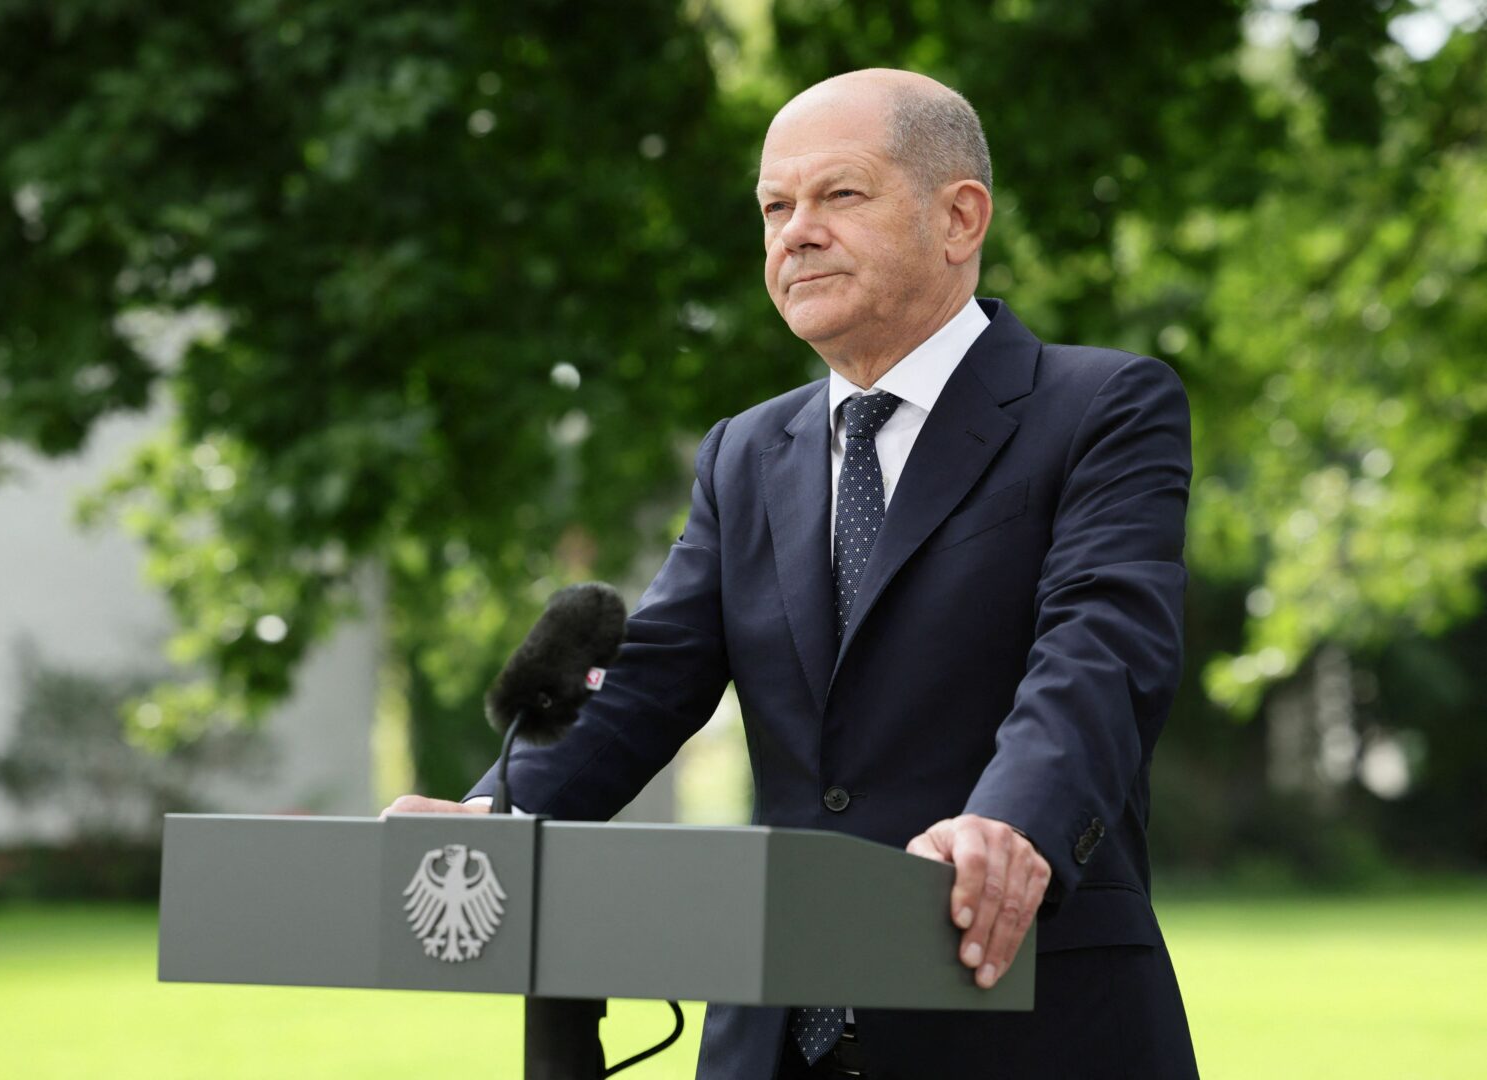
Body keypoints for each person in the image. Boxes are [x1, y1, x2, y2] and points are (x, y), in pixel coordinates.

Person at [384, 68, 1198, 1079]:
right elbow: (649, 679)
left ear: (959, 218)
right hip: (770, 1034)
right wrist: (497, 819)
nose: (795, 234)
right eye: (774, 207)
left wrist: (1009, 823)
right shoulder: (743, 453)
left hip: (1023, 1015)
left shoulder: (1101, 407)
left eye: (838, 195)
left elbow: (1099, 650)